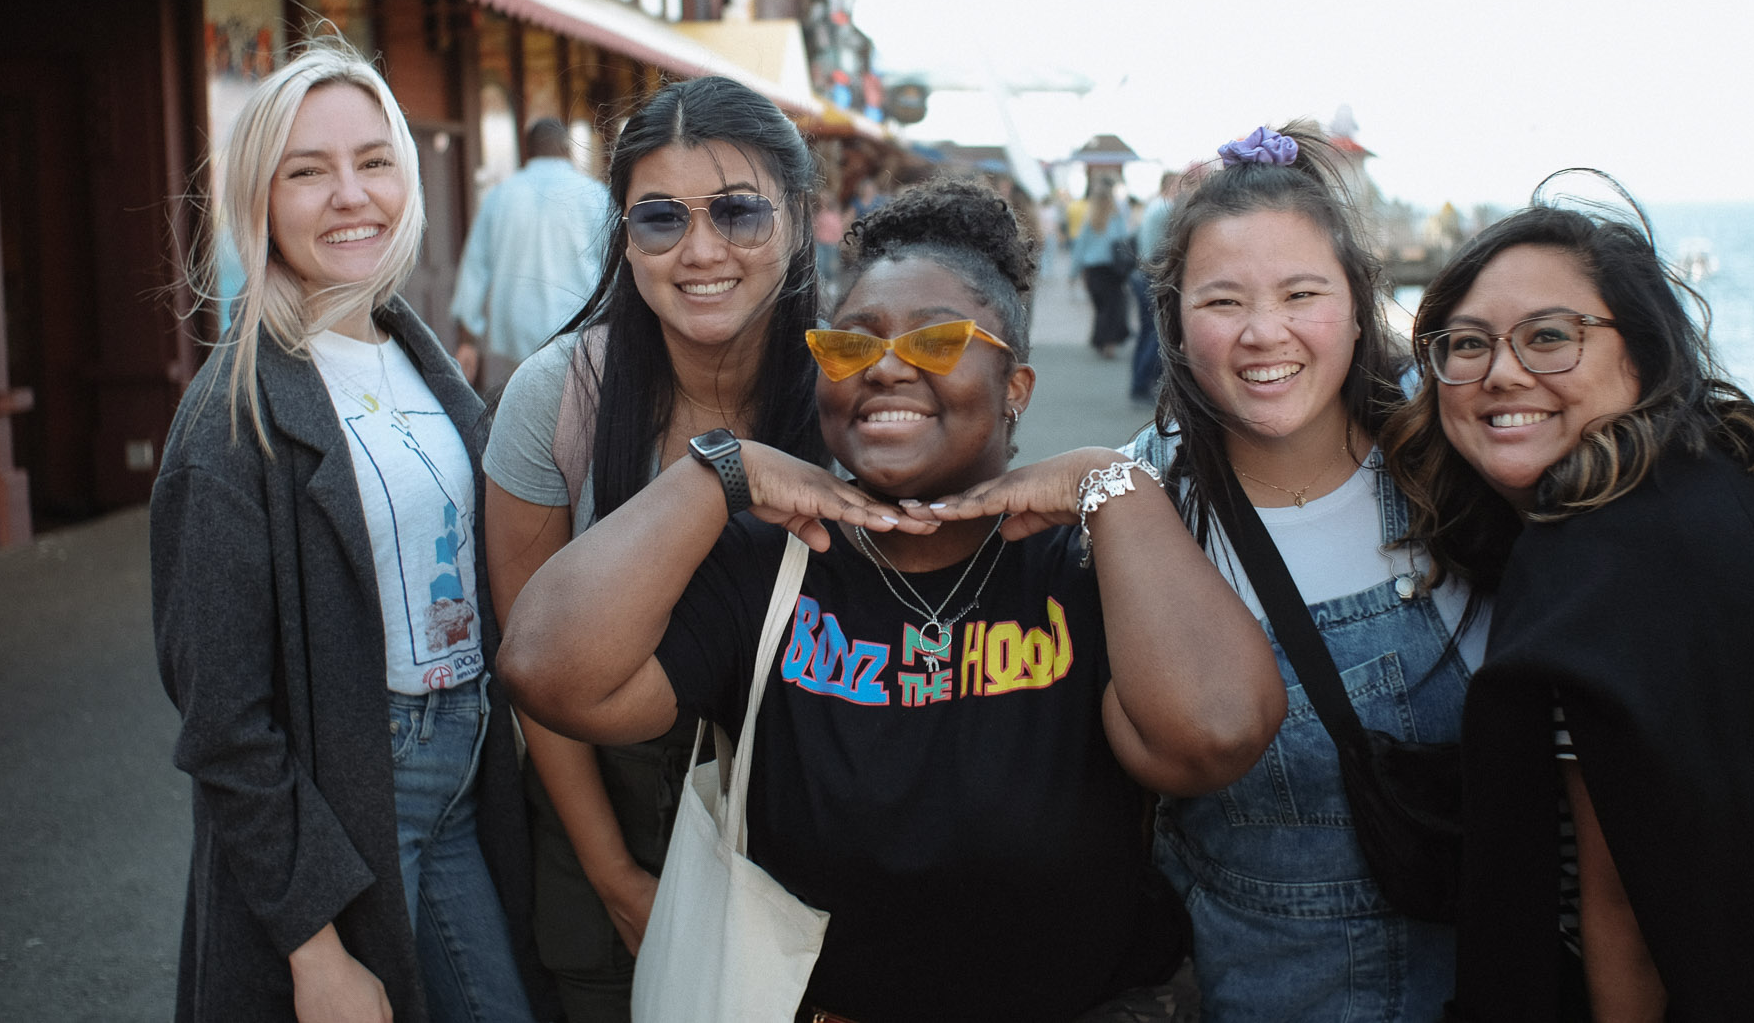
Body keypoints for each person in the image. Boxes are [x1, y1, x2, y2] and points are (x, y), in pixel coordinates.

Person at [497, 178, 1286, 1023]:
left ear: (1016, 387)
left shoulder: (1088, 571)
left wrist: (1115, 486)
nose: (886, 367)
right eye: (850, 345)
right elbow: (548, 669)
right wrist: (720, 471)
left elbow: (1218, 733)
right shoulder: (771, 566)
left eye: (938, 341)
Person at [1381, 177, 1754, 1020]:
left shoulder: (1607, 573)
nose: (1502, 372)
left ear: (1639, 352)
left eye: (1551, 337)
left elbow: (1630, 911)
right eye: (1466, 343)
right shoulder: (1716, 480)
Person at [150, 38, 549, 1023]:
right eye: (307, 170)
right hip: (350, 800)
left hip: (464, 765)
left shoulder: (412, 354)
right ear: (259, 199)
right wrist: (312, 948)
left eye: (373, 161)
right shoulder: (225, 426)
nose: (350, 194)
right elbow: (224, 726)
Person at [480, 75, 830, 1022]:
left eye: (739, 211)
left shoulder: (856, 391)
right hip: (609, 820)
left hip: (817, 832)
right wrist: (614, 876)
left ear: (800, 218)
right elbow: (536, 682)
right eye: (661, 217)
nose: (700, 250)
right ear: (624, 235)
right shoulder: (555, 400)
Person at [1128, 122, 1481, 1022]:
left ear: (1360, 306)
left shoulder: (1457, 469)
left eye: (1301, 292)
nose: (1264, 332)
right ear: (1172, 319)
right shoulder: (1139, 499)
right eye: (1222, 302)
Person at [451, 117, 613, 392]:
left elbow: (475, 268)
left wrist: (468, 340)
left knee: (523, 412)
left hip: (516, 339)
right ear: (567, 149)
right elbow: (615, 267)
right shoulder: (594, 195)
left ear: (527, 152)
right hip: (581, 333)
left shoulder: (500, 195)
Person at [1129, 171, 1180, 401]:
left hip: (1143, 272)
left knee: (1146, 331)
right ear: (1170, 185)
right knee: (1156, 332)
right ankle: (1142, 382)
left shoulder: (1153, 207)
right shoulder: (1165, 210)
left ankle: (1138, 382)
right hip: (1155, 274)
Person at [1071, 179, 1134, 357]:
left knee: (1100, 307)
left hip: (1093, 271)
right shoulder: (1116, 218)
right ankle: (1108, 342)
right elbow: (1125, 241)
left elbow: (1080, 248)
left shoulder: (1090, 221)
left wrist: (1074, 273)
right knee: (1113, 307)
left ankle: (1100, 339)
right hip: (1112, 269)